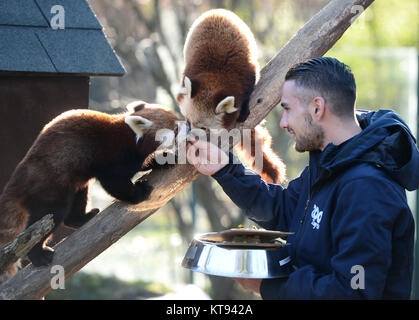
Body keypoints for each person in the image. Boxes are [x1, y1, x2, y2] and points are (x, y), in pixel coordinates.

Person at [186, 57, 419, 299]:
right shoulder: (330, 163)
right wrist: (224, 169)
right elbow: (283, 210)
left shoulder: (368, 189)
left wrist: (267, 285)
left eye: (287, 109)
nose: (284, 123)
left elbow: (352, 292)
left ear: (317, 108)